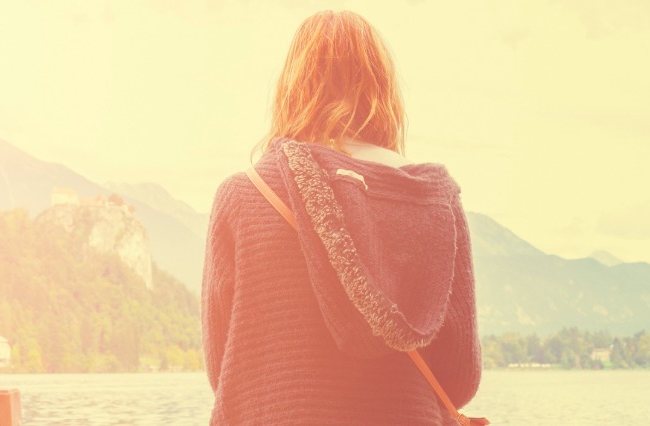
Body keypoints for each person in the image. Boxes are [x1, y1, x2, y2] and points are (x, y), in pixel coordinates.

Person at [202, 10, 482, 425]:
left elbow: (220, 368)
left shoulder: (243, 196)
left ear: (292, 87)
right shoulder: (433, 199)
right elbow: (460, 378)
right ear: (383, 90)